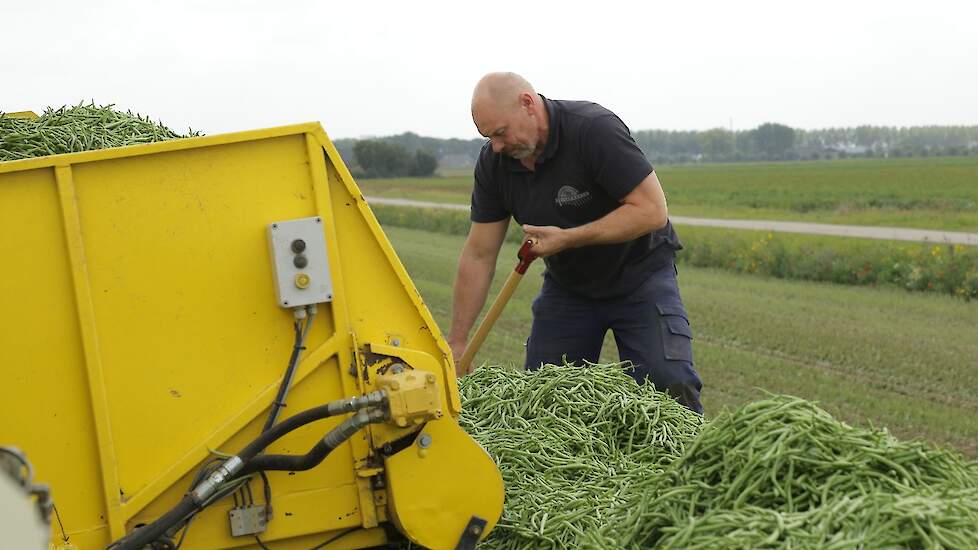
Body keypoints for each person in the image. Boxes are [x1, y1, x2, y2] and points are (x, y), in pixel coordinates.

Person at [447, 72, 703, 414]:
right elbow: (479, 254)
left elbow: (652, 211)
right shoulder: (495, 164)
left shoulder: (592, 130)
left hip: (640, 277)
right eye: (488, 136)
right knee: (542, 399)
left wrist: (567, 239)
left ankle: (684, 463)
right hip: (570, 289)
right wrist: (458, 341)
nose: (495, 145)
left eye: (500, 133)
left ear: (527, 104)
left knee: (669, 382)